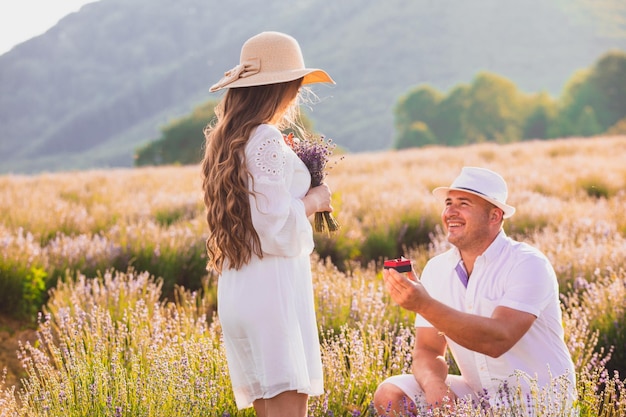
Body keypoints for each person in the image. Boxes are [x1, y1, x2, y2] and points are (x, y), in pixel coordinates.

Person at [201, 31, 335, 416]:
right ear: (283, 88)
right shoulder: (264, 138)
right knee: (290, 405)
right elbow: (274, 223)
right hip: (273, 288)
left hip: (241, 283)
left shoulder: (228, 139)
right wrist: (314, 200)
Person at [373, 167, 576, 415]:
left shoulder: (527, 263)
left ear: (494, 216)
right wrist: (435, 386)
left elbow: (497, 339)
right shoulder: (437, 269)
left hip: (537, 402)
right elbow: (427, 349)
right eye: (448, 203)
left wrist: (423, 304)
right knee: (392, 395)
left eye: (464, 204)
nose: (450, 212)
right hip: (480, 396)